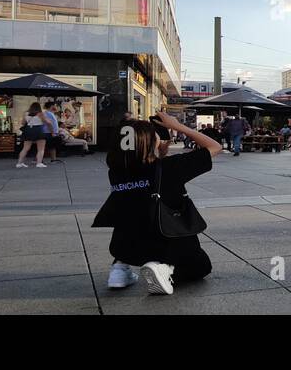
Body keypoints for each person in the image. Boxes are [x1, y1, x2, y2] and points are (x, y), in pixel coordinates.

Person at [92, 111, 222, 295]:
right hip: (168, 241)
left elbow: (145, 175)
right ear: (150, 142)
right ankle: (165, 268)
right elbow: (215, 147)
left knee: (135, 214)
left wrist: (159, 154)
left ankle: (119, 270)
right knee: (201, 267)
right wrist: (178, 126)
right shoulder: (171, 167)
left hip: (126, 247)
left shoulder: (116, 172)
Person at [16, 102, 52, 168]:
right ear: (39, 107)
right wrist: (51, 130)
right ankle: (39, 163)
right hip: (38, 130)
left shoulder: (26, 113)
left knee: (25, 148)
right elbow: (47, 122)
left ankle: (19, 163)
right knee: (41, 149)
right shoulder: (40, 114)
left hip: (28, 130)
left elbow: (23, 123)